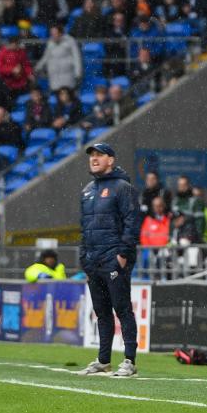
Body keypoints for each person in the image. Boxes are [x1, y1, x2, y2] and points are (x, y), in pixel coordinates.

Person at [76, 143, 141, 378]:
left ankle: (129, 361)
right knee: (101, 312)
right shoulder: (87, 190)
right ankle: (104, 360)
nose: (94, 158)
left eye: (99, 155)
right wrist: (84, 258)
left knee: (122, 309)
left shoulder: (123, 188)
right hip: (93, 261)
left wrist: (122, 256)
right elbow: (85, 227)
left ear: (111, 160)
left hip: (113, 259)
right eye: (91, 155)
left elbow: (132, 222)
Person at [35, 24, 83, 94]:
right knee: (56, 98)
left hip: (67, 76)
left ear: (61, 33)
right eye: (52, 34)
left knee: (68, 96)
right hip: (54, 77)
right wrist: (38, 67)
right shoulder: (50, 42)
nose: (53, 35)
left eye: (55, 33)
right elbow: (46, 56)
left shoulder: (70, 41)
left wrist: (78, 73)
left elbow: (77, 57)